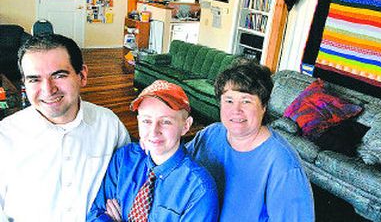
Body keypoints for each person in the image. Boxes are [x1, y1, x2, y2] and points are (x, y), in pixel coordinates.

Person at [0, 34, 130, 222]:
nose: (48, 89)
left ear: (82, 76)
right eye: (34, 79)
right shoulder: (5, 136)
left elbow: (128, 184)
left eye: (59, 75)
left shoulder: (109, 125)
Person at [186, 61, 315, 221]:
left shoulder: (284, 166)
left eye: (246, 101)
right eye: (229, 100)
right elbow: (178, 167)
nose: (236, 110)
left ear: (264, 106)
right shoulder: (211, 134)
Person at [87, 80, 219, 222]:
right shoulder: (124, 158)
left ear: (186, 126)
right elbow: (95, 214)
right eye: (146, 121)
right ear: (138, 121)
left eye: (166, 121)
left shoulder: (198, 189)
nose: (154, 131)